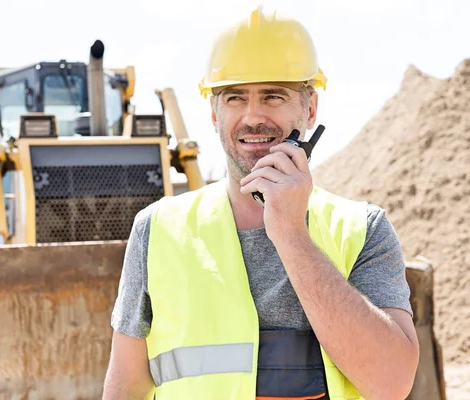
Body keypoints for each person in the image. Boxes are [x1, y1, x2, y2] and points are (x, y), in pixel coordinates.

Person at [103, 7, 419, 400]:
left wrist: (290, 234)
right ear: (213, 112)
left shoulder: (361, 229)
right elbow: (126, 388)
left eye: (273, 95)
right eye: (235, 98)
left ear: (310, 109)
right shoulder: (157, 230)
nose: (253, 117)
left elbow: (391, 383)